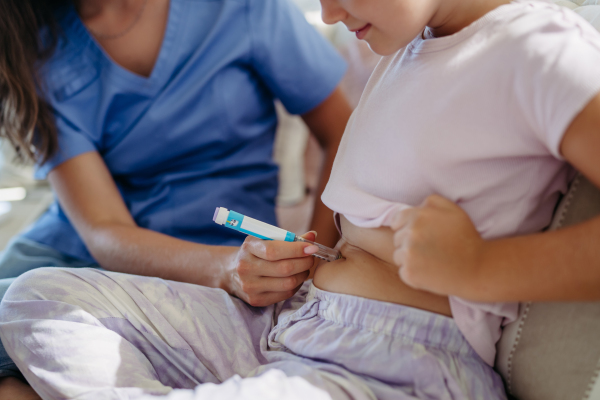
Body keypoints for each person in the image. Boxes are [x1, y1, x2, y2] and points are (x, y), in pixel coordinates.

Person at [3, 0, 600, 398]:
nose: (328, 11)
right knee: (35, 297)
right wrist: (291, 258)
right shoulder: (406, 52)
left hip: (398, 361)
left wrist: (480, 269)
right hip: (291, 321)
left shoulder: (537, 47)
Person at [0, 0, 351, 395]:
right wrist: (227, 269)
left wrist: (309, 264)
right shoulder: (32, 44)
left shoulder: (242, 7)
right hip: (79, 253)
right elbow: (104, 230)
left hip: (216, 268)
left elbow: (342, 132)